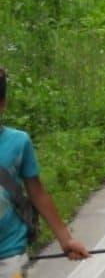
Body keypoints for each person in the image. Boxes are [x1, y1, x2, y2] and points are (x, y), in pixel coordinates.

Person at [0, 68, 91, 275]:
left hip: (10, 252)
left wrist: (65, 239)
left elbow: (37, 193)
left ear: (2, 104)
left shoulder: (18, 142)